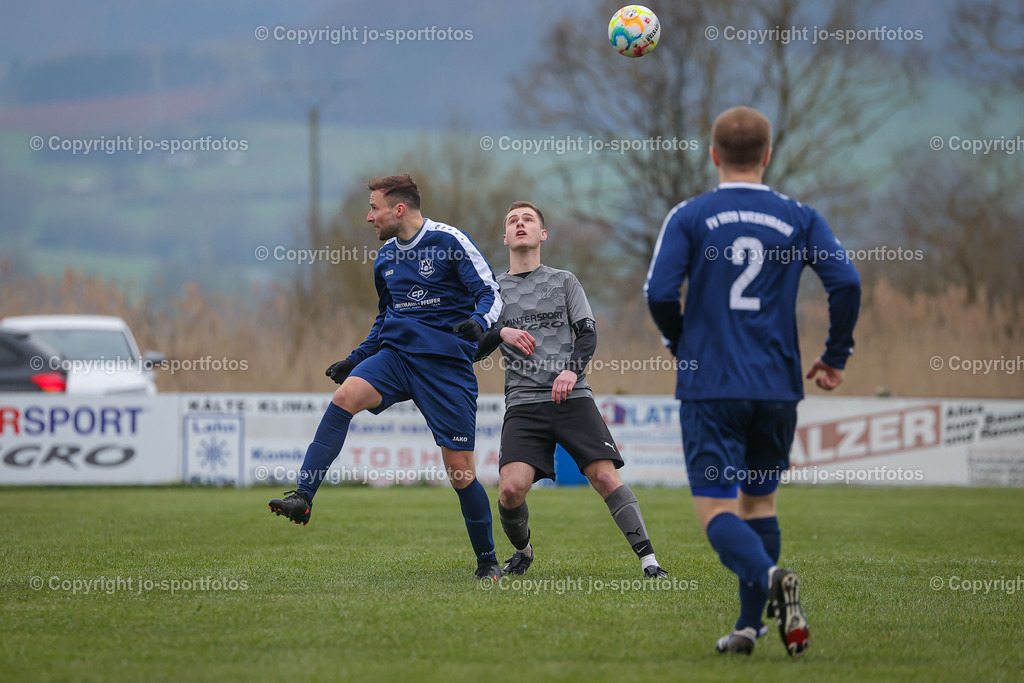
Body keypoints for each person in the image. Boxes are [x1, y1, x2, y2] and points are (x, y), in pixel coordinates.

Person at [644, 106, 861, 658]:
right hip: (777, 387)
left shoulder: (691, 215)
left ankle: (770, 580)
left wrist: (681, 344)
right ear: (767, 155)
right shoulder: (800, 216)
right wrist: (835, 355)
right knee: (760, 505)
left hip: (713, 385)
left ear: (713, 155)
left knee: (717, 511)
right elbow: (846, 282)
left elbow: (659, 293)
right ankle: (749, 627)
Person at [269, 174, 506, 581]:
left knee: (460, 471)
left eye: (374, 208)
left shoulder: (449, 241)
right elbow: (385, 319)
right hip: (396, 358)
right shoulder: (385, 259)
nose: (368, 217)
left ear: (398, 209)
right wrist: (355, 359)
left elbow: (491, 293)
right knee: (345, 397)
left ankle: (487, 561)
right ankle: (303, 496)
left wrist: (479, 322)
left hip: (445, 367)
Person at [475, 200, 667, 578]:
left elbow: (587, 335)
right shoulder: (492, 291)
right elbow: (474, 348)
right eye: (512, 220)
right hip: (524, 403)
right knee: (510, 491)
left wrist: (570, 371)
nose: (520, 224)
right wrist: (500, 332)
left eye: (528, 219)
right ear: (505, 237)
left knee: (605, 477)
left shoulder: (564, 281)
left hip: (572, 396)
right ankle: (523, 551)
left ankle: (650, 562)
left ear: (542, 234)